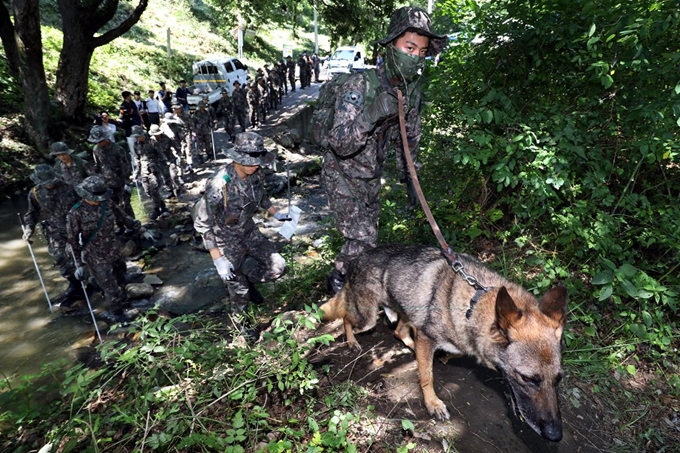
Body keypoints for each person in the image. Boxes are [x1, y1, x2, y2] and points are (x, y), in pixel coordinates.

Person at [321, 6, 447, 294]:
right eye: (409, 47)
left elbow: (410, 138)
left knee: (365, 239)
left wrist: (411, 180)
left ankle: (341, 276)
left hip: (370, 174)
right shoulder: (360, 84)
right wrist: (372, 113)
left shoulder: (410, 91)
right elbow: (339, 144)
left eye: (422, 51)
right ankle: (342, 293)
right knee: (364, 238)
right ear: (391, 46)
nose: (415, 56)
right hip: (341, 172)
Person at [193, 132, 289, 314]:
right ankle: (243, 328)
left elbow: (261, 198)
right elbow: (203, 224)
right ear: (236, 158)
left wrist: (277, 214)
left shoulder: (256, 174)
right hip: (226, 241)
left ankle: (246, 277)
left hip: (250, 233)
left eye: (256, 161)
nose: (254, 166)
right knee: (240, 293)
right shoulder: (218, 185)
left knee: (278, 267)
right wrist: (217, 259)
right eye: (248, 161)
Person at [67, 176, 145, 323]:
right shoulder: (75, 213)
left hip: (114, 250)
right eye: (94, 197)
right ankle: (117, 314)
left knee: (121, 277)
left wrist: (140, 228)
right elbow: (72, 241)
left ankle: (123, 300)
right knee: (110, 288)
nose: (98, 200)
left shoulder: (107, 203)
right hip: (95, 256)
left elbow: (123, 217)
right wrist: (78, 264)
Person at [23, 165, 82, 307]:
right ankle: (74, 284)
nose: (49, 184)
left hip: (73, 226)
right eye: (46, 182)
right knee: (59, 256)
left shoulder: (69, 187)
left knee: (80, 256)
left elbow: (82, 204)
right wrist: (29, 229)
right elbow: (32, 213)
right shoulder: (35, 193)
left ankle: (91, 281)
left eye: (51, 181)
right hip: (53, 230)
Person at [87, 125, 136, 228]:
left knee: (125, 205)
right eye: (96, 142)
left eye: (100, 141)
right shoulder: (96, 149)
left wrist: (127, 182)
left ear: (105, 138)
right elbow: (97, 166)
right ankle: (120, 226)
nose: (99, 143)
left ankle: (132, 225)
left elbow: (126, 166)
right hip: (107, 183)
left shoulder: (118, 149)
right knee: (113, 206)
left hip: (120, 182)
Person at [131, 125, 169, 220]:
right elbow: (137, 159)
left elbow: (161, 156)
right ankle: (163, 206)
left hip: (154, 170)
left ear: (142, 134)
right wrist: (135, 173)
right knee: (147, 191)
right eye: (135, 137)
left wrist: (163, 169)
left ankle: (156, 210)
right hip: (143, 171)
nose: (137, 138)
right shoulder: (136, 144)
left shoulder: (153, 142)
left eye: (138, 136)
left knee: (154, 190)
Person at [148, 124, 183, 198]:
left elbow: (174, 145)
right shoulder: (151, 142)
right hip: (160, 162)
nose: (157, 136)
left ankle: (178, 190)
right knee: (165, 177)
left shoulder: (166, 137)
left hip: (170, 158)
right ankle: (170, 191)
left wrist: (179, 154)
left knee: (173, 175)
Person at [191, 95, 216, 162]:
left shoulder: (207, 113)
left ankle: (210, 155)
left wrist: (212, 125)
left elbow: (210, 120)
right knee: (200, 145)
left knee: (208, 143)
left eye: (203, 106)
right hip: (199, 132)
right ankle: (200, 157)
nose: (202, 107)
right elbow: (193, 123)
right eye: (201, 106)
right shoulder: (195, 114)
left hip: (206, 131)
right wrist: (194, 131)